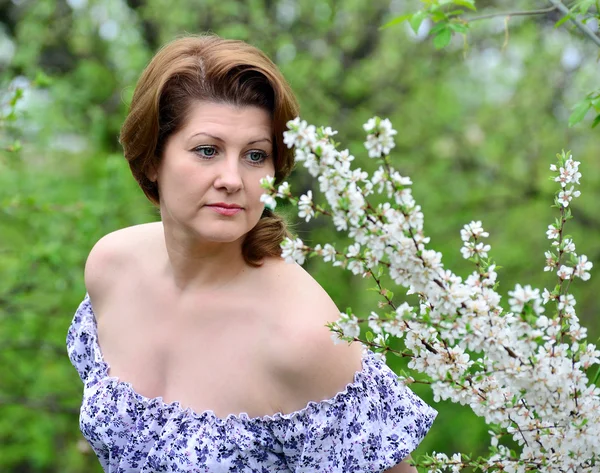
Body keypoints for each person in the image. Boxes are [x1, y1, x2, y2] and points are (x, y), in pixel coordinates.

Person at [66, 34, 437, 472]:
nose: (232, 179)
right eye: (208, 150)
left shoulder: (303, 336)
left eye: (255, 155)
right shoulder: (114, 267)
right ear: (152, 157)